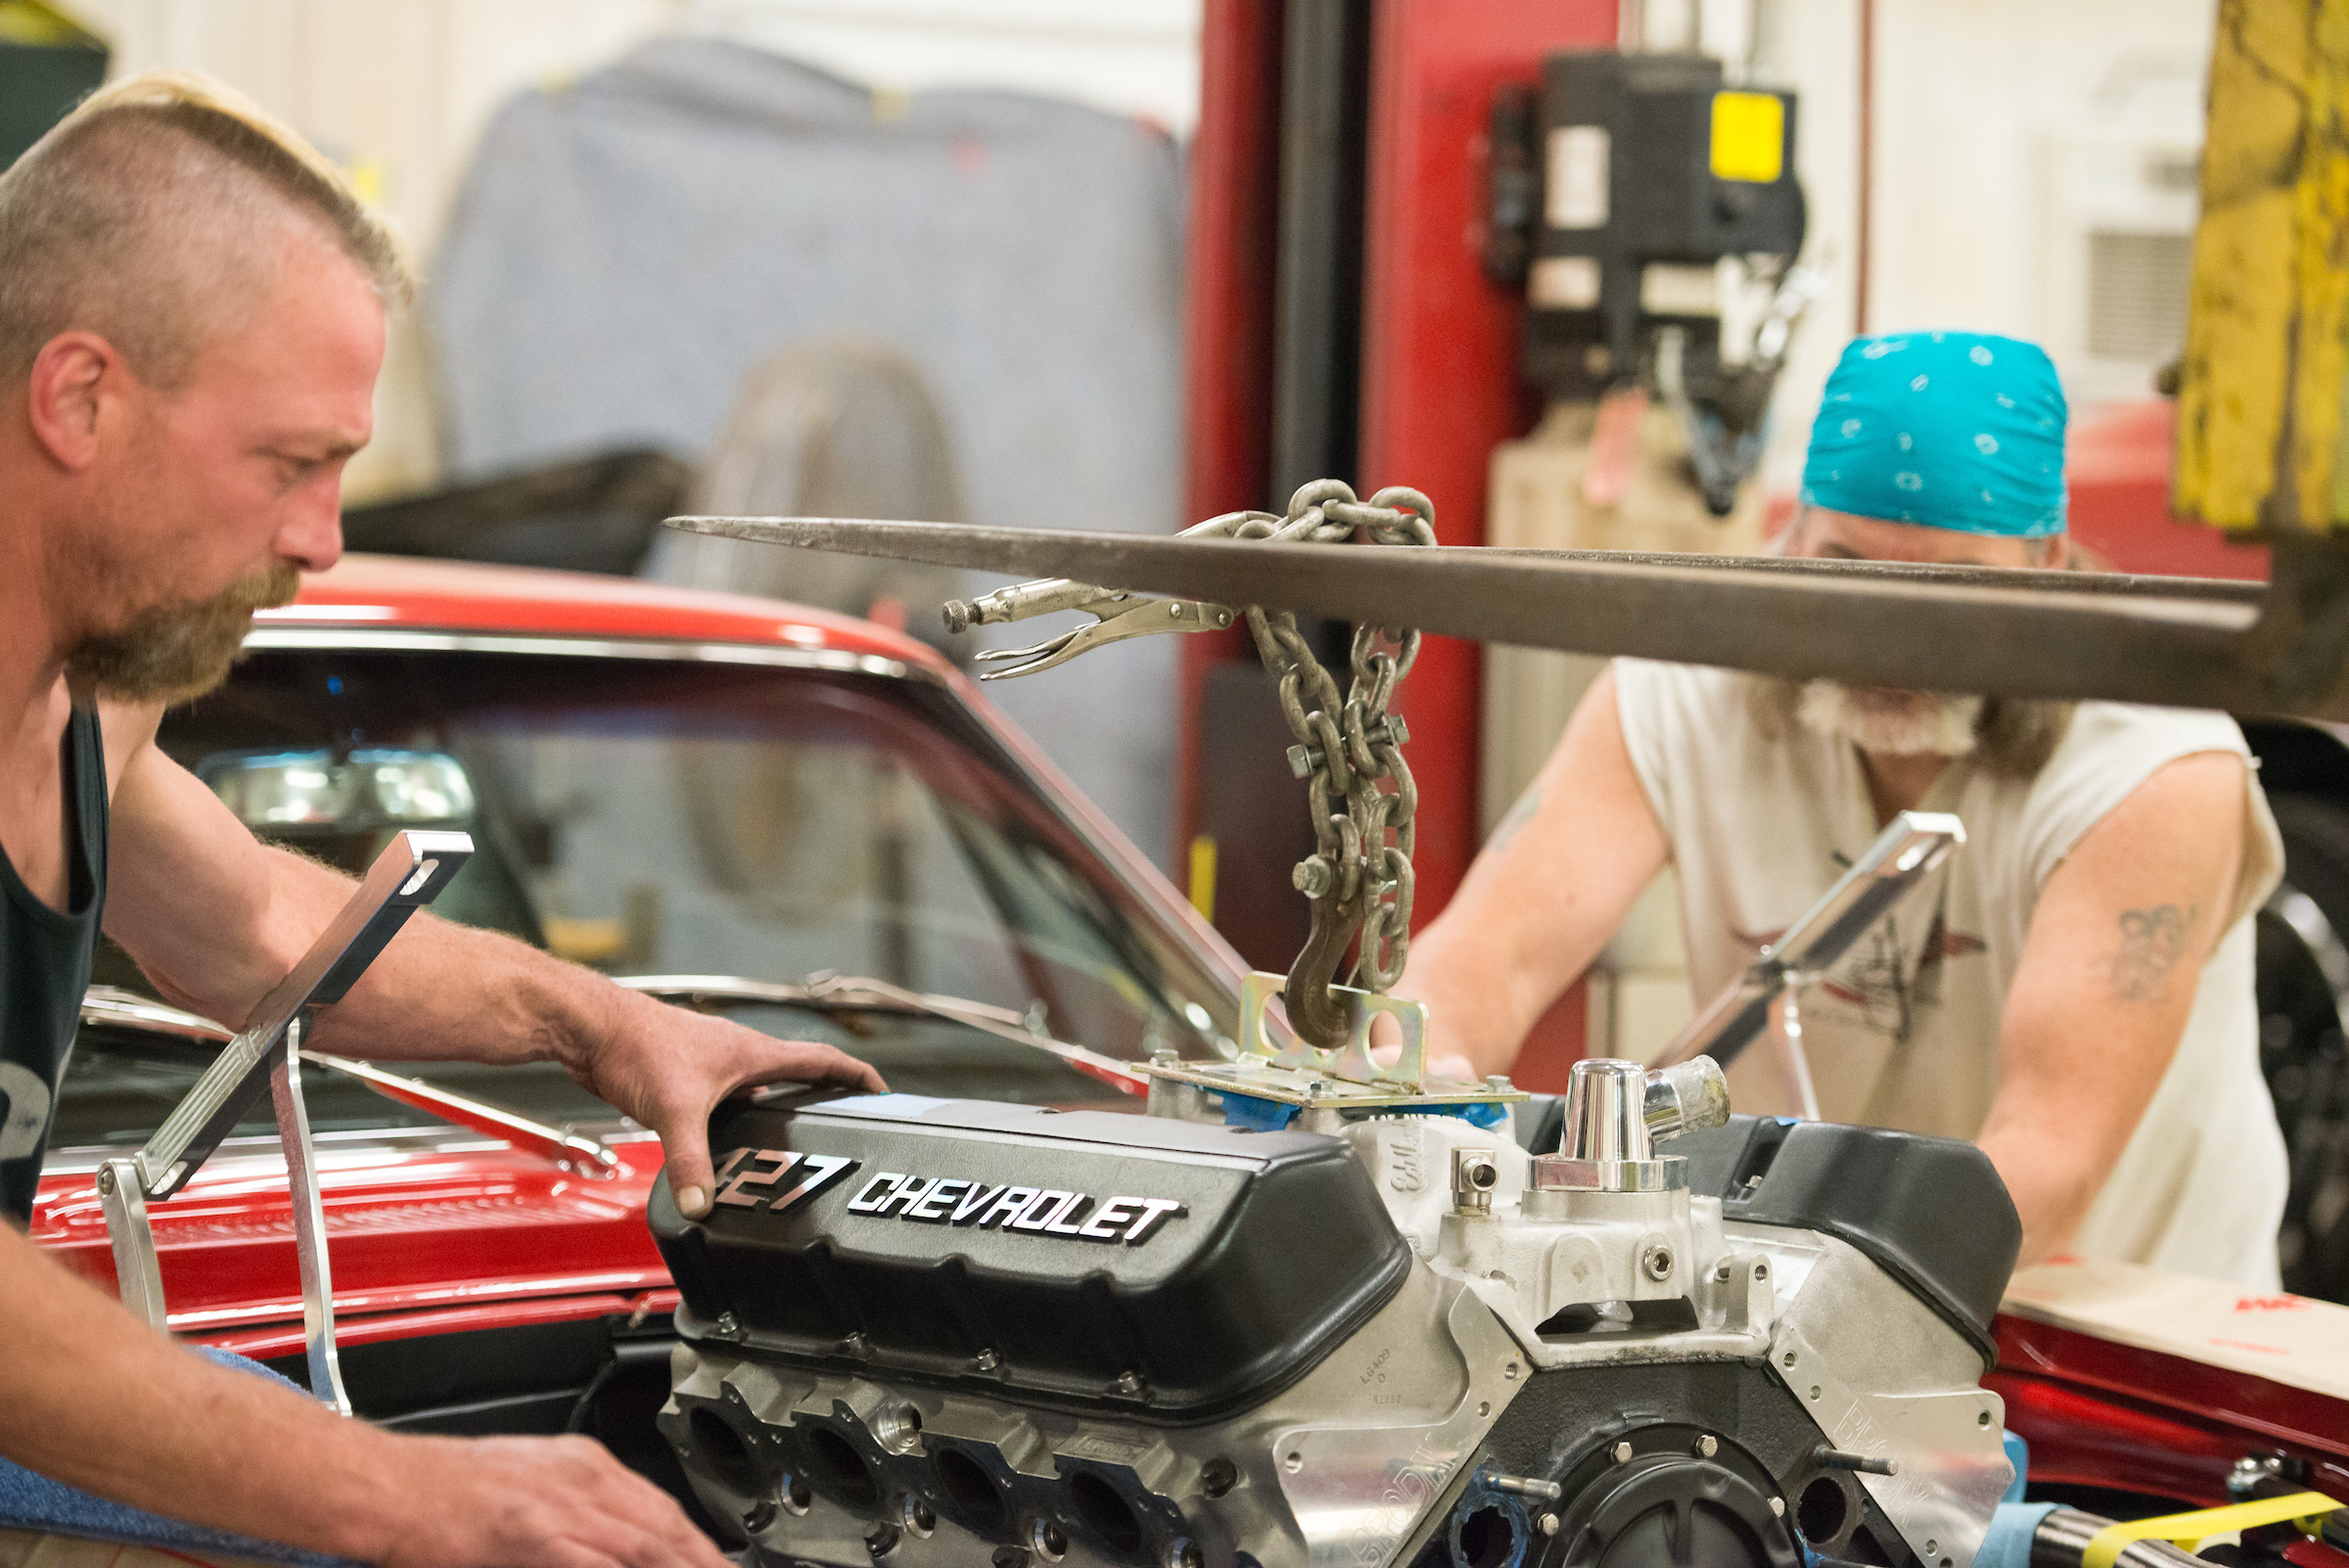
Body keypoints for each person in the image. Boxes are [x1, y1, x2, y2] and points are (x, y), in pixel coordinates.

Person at [0, 72, 888, 1567]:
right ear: (79, 396)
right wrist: (409, 1495)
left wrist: (604, 1023)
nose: (322, 539)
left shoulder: (76, 715)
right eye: (290, 462)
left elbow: (266, 932)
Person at [1401, 330, 2288, 1287]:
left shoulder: (2152, 760)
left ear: (2050, 564)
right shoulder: (1685, 687)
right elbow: (1487, 961)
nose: (1889, 641)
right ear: (1794, 533)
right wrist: (1403, 1103)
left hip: (2114, 1332)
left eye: (1953, 590)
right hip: (1800, 1291)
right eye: (1849, 571)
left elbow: (2041, 1167)